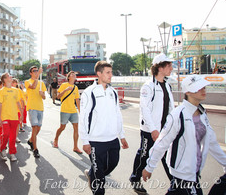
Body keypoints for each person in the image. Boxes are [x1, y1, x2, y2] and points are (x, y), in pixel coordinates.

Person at [142, 75, 226, 195]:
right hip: (182, 174)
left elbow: (211, 142)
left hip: (194, 173)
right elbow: (162, 143)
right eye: (198, 88)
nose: (203, 90)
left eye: (203, 87)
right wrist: (149, 167)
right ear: (187, 92)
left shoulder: (202, 114)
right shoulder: (177, 115)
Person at [79, 61, 129, 195]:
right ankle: (96, 180)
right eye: (108, 72)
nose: (111, 75)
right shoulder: (89, 93)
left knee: (113, 163)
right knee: (100, 179)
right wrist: (85, 141)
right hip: (95, 141)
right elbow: (83, 118)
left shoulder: (113, 92)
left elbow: (117, 114)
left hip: (112, 139)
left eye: (111, 72)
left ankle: (92, 174)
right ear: (99, 74)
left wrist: (122, 135)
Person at [129, 53, 175, 193]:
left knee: (168, 157)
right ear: (160, 68)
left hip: (165, 130)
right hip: (150, 130)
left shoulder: (167, 85)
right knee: (144, 155)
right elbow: (145, 109)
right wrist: (153, 129)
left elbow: (170, 108)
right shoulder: (148, 87)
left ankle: (176, 184)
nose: (171, 68)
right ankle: (135, 179)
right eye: (169, 65)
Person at [52, 71, 82, 154]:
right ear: (68, 77)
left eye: (74, 75)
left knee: (76, 127)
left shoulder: (75, 87)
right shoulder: (64, 85)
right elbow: (58, 96)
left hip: (73, 111)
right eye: (72, 74)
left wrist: (80, 111)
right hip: (65, 110)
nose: (74, 75)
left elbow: (77, 100)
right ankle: (56, 139)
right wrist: (66, 90)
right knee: (62, 127)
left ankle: (75, 147)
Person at [0, 73, 22, 162]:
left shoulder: (16, 90)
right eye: (9, 76)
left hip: (14, 116)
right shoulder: (1, 91)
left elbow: (18, 103)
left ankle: (12, 153)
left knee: (13, 136)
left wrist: (21, 114)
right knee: (6, 133)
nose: (11, 76)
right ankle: (2, 148)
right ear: (4, 79)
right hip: (5, 116)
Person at [25, 66, 46, 158]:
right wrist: (37, 77)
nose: (36, 72)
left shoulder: (41, 83)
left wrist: (42, 95)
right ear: (31, 73)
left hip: (40, 108)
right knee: (34, 128)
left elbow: (44, 97)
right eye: (34, 71)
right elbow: (33, 87)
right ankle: (35, 149)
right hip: (32, 107)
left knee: (38, 128)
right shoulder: (27, 82)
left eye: (37, 71)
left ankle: (30, 141)